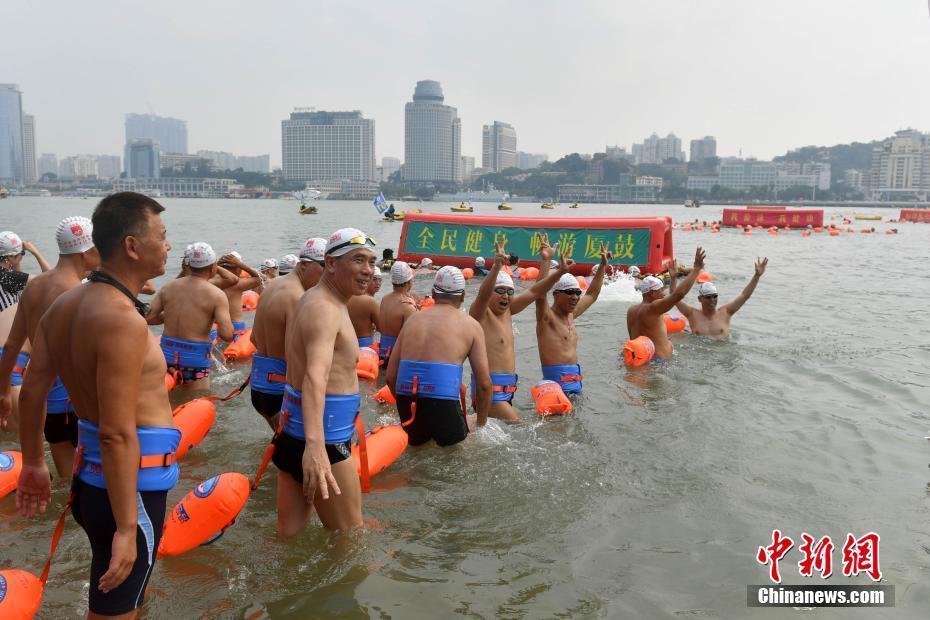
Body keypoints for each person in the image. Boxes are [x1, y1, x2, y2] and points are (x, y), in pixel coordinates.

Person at [16, 192, 177, 618]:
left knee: (126, 598)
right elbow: (116, 430)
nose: (168, 245)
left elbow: (32, 391)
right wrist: (127, 526)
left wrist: (34, 463)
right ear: (132, 246)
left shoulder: (62, 306)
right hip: (130, 491)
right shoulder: (122, 319)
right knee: (113, 609)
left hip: (92, 484)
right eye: (162, 236)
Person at [272, 228, 376, 536]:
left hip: (294, 434)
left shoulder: (316, 299)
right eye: (358, 260)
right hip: (323, 442)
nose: (368, 270)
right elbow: (314, 377)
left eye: (371, 261)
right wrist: (316, 449)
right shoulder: (325, 309)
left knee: (287, 540)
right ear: (330, 263)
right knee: (351, 540)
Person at [0, 219, 98, 476]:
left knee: (66, 478)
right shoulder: (82, 293)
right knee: (95, 478)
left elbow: (11, 344)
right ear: (86, 252)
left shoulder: (33, 286)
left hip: (48, 400)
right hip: (79, 402)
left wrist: (2, 392)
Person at [468, 240, 574, 422]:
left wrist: (556, 269)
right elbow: (482, 295)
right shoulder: (480, 313)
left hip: (506, 393)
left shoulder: (508, 311)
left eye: (510, 292)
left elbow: (535, 291)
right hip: (488, 394)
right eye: (500, 290)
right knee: (519, 427)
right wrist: (497, 266)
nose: (505, 296)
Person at [386, 266, 491, 446]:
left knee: (417, 451)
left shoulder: (413, 320)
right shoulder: (471, 326)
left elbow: (390, 377)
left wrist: (411, 405)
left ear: (433, 293)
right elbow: (484, 385)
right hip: (443, 405)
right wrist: (481, 425)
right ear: (463, 296)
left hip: (407, 401)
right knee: (457, 453)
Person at [250, 238, 326, 429]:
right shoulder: (297, 297)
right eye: (324, 267)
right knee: (302, 453)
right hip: (279, 390)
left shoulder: (272, 286)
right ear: (304, 265)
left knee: (281, 447)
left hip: (259, 387)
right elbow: (295, 356)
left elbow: (253, 338)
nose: (327, 275)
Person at [147, 242, 235, 390]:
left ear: (187, 265)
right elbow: (227, 335)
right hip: (195, 360)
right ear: (213, 266)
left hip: (165, 355)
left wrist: (167, 317)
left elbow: (148, 318)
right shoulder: (216, 294)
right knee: (197, 402)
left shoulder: (169, 287)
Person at [534, 236, 611, 394]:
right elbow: (538, 293)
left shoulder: (571, 315)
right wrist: (546, 260)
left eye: (577, 292)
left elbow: (592, 294)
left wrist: (603, 265)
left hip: (576, 386)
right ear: (556, 295)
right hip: (555, 390)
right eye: (569, 292)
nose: (575, 297)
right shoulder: (546, 317)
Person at [0, 231, 51, 435]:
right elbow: (55, 282)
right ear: (11, 257)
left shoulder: (12, 280)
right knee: (23, 440)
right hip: (10, 363)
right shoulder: (9, 278)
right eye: (21, 254)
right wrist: (36, 253)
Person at [626, 247, 706, 360]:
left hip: (642, 359)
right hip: (660, 363)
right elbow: (678, 295)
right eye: (661, 291)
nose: (663, 295)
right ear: (652, 293)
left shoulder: (631, 311)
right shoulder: (653, 308)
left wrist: (673, 278)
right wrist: (696, 270)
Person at [669, 257, 768, 338]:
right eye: (708, 297)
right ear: (700, 299)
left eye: (715, 296)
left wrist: (757, 276)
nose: (712, 300)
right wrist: (673, 278)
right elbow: (674, 297)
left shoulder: (726, 312)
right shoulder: (692, 314)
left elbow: (745, 295)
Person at [215, 251, 262, 340]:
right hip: (235, 325)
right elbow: (258, 279)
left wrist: (216, 265)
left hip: (216, 326)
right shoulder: (238, 284)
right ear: (238, 269)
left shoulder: (212, 281)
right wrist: (241, 264)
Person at [378, 261, 417, 366]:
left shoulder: (384, 299)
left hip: (382, 354)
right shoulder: (408, 306)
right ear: (409, 282)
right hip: (396, 359)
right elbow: (413, 339)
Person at [348, 270, 381, 349]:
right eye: (374, 279)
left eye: (380, 280)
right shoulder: (369, 301)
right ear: (366, 281)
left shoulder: (345, 297)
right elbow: (382, 328)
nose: (378, 283)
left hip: (347, 344)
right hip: (365, 346)